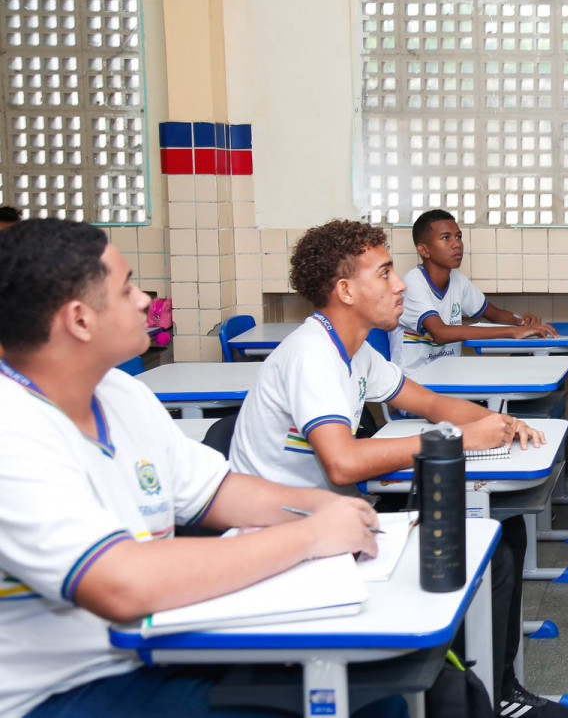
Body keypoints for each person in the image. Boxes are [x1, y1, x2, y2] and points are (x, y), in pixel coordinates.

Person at [0, 219, 401, 717]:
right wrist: (312, 535)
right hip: (65, 690)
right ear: (81, 320)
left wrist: (328, 506)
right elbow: (121, 585)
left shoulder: (120, 393)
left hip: (159, 647)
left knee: (378, 694)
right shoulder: (11, 429)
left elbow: (219, 492)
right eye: (126, 289)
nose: (145, 300)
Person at [229, 219, 568, 718]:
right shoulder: (312, 356)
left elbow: (431, 403)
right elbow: (343, 462)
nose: (398, 286)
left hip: (335, 518)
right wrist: (455, 440)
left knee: (502, 533)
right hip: (284, 536)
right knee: (490, 545)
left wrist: (499, 421)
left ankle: (495, 688)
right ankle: (477, 692)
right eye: (385, 273)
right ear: (346, 290)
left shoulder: (355, 350)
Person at [389, 209, 557, 371]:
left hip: (448, 376)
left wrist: (522, 323)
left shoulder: (457, 280)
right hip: (414, 381)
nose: (457, 244)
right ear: (424, 250)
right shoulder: (413, 283)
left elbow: (495, 314)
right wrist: (513, 332)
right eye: (446, 238)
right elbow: (440, 333)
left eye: (459, 237)